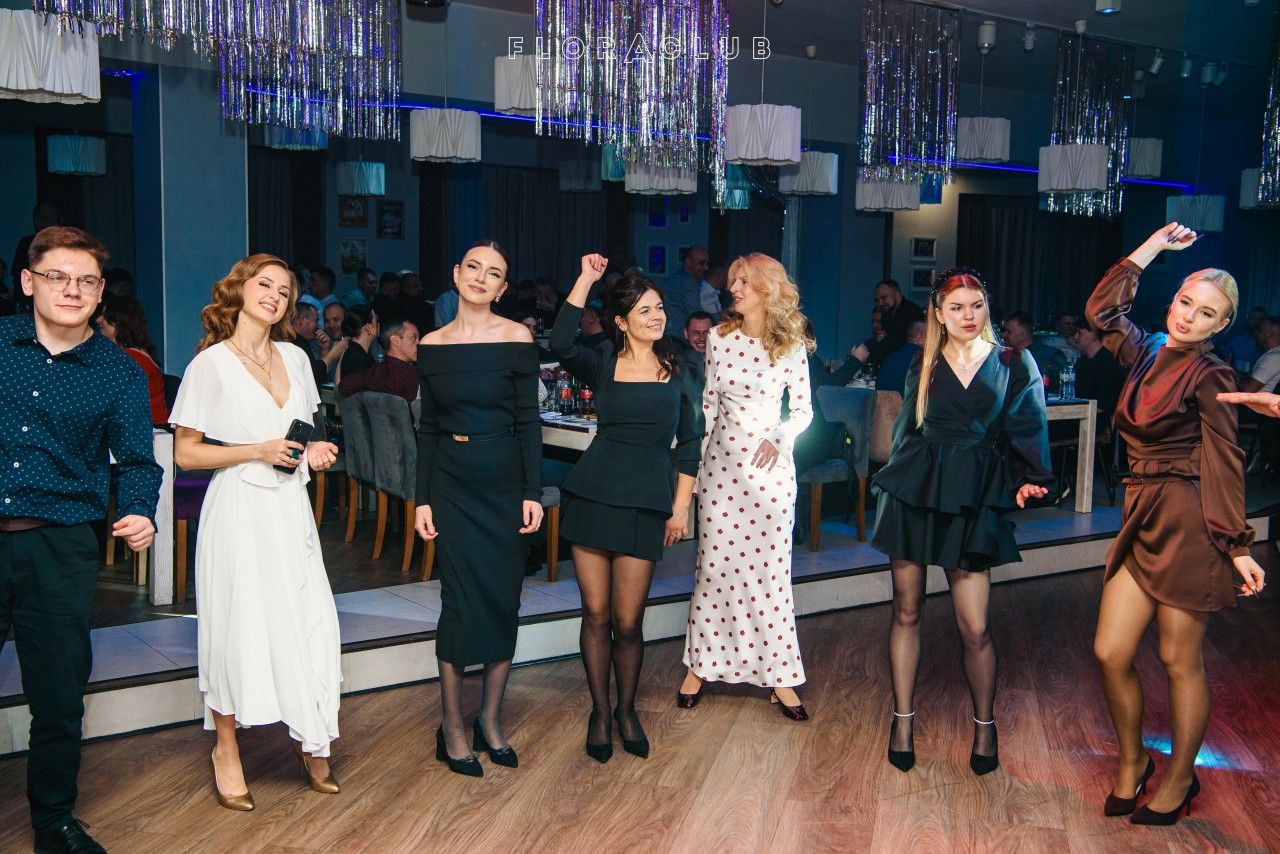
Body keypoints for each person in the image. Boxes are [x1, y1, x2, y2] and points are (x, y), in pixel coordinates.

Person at [1087, 223, 1264, 826]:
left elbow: (1224, 459)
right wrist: (1153, 247)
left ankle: (1181, 778)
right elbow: (1102, 311)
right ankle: (1134, 761)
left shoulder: (1211, 374)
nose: (1189, 316)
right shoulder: (1148, 350)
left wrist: (1237, 545)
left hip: (1189, 519)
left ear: (1221, 326)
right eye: (1186, 301)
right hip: (1141, 511)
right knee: (1110, 650)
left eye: (1206, 313)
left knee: (1177, 658)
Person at [1, 226, 160, 854]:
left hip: (60, 545)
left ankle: (54, 822)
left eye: (86, 281)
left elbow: (138, 461)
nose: (72, 290)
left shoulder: (118, 371)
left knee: (59, 694)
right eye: (57, 277)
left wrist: (141, 512)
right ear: (28, 282)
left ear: (99, 294)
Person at [170, 254, 342, 812]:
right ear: (239, 290)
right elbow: (186, 454)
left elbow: (305, 433)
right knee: (236, 626)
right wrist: (257, 450)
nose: (274, 295)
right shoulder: (210, 365)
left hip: (289, 507)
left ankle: (310, 737)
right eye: (264, 284)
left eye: (284, 290)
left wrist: (314, 450)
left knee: (307, 619)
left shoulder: (295, 357)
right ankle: (226, 748)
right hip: (238, 508)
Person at [871, 266, 1053, 777]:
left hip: (972, 496)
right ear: (938, 312)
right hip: (916, 491)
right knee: (907, 611)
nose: (968, 316)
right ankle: (902, 722)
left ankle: (985, 726)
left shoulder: (1013, 360)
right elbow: (906, 432)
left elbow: (1030, 425)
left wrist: (1029, 479)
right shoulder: (922, 362)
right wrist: (889, 486)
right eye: (956, 308)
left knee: (975, 626)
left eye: (976, 305)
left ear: (986, 307)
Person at [551, 256, 701, 763]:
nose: (656, 317)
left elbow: (690, 443)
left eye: (659, 308)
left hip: (646, 501)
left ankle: (626, 710)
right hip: (594, 493)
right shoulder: (601, 360)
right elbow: (560, 342)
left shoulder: (681, 366)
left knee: (629, 621)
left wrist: (679, 509)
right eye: (644, 311)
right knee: (595, 615)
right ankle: (599, 712)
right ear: (621, 321)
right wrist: (585, 279)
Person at [414, 239, 543, 777]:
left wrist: (533, 491)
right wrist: (422, 498)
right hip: (451, 484)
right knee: (459, 603)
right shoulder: (431, 344)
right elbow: (429, 427)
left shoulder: (517, 338)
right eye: (473, 267)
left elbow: (530, 421)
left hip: (505, 485)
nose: (480, 277)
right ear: (456, 273)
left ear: (502, 288)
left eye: (493, 273)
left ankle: (489, 720)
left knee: (502, 600)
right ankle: (452, 726)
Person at [676, 253, 815, 720]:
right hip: (721, 472)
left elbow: (803, 412)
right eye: (733, 280)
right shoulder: (719, 338)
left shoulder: (791, 345)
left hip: (770, 475)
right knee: (713, 570)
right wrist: (699, 471)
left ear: (767, 289)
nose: (733, 288)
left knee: (769, 578)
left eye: (743, 282)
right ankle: (699, 667)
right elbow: (708, 406)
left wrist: (781, 437)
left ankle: (780, 675)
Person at [97, 295, 170, 425]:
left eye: (105, 315)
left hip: (145, 429)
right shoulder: (137, 354)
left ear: (119, 321)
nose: (98, 320)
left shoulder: (130, 359)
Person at [339, 320, 420, 403]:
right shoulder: (414, 377)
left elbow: (343, 385)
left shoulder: (374, 372)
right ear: (395, 340)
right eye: (414, 337)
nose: (419, 343)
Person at [1072, 323, 1126, 428]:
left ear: (1094, 335)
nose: (1075, 337)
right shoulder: (1081, 363)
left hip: (1095, 420)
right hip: (1079, 415)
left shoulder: (1108, 364)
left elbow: (1104, 406)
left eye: (1080, 333)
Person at [10, 202, 61, 313]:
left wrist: (22, 302)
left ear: (36, 220)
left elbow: (18, 276)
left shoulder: (27, 243)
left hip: (33, 304)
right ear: (60, 220)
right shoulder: (70, 244)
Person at [1003, 311, 1067, 394]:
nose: (1004, 335)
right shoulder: (1004, 356)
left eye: (1009, 332)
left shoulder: (1050, 355)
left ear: (1023, 334)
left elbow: (1060, 386)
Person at [870, 279, 924, 365]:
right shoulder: (886, 314)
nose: (880, 303)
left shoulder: (912, 312)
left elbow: (895, 344)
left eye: (884, 298)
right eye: (877, 300)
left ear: (896, 295)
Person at [663, 245, 709, 338]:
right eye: (701, 263)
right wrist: (721, 315)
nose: (706, 268)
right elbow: (697, 315)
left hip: (667, 335)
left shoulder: (672, 279)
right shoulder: (688, 281)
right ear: (688, 262)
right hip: (680, 338)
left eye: (707, 263)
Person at [876, 319, 926, 395]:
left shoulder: (892, 356)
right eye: (932, 336)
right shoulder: (921, 357)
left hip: (881, 401)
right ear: (920, 339)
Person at [335, 303, 378, 387]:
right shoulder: (356, 356)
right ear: (368, 327)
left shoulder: (357, 351)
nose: (378, 324)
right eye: (376, 321)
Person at [289, 302, 328, 386]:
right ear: (302, 320)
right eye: (315, 321)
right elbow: (314, 376)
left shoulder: (296, 340)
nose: (318, 326)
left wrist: (324, 350)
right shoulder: (297, 342)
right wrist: (336, 352)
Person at [1239, 315, 1280, 393]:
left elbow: (1248, 388)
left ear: (1270, 334)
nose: (1256, 334)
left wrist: (1229, 380)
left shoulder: (1273, 358)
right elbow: (1253, 378)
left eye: (1260, 331)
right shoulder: (1273, 355)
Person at [1223, 306, 1266, 371]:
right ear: (1248, 320)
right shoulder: (1237, 340)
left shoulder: (1269, 343)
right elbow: (1225, 359)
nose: (1257, 322)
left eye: (1260, 319)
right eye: (1253, 319)